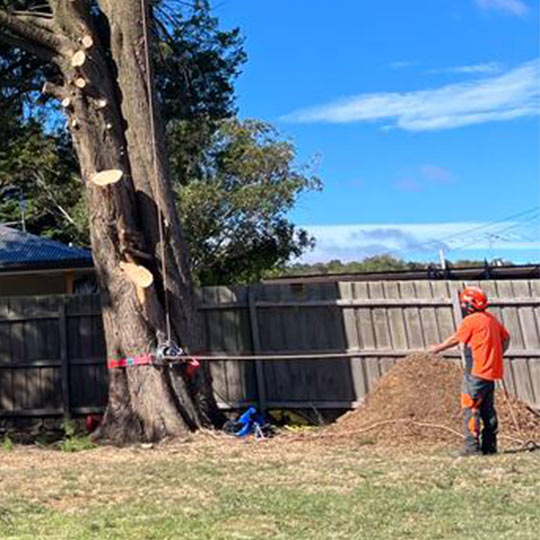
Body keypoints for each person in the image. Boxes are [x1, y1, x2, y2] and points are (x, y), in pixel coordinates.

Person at [428, 286, 510, 456]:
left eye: (464, 304)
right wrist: (497, 354)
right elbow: (506, 338)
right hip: (490, 373)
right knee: (488, 410)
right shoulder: (492, 320)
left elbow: (456, 338)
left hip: (476, 372)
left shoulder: (471, 321)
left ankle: (472, 448)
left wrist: (437, 348)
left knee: (471, 407)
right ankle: (490, 447)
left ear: (471, 304)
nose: (463, 307)